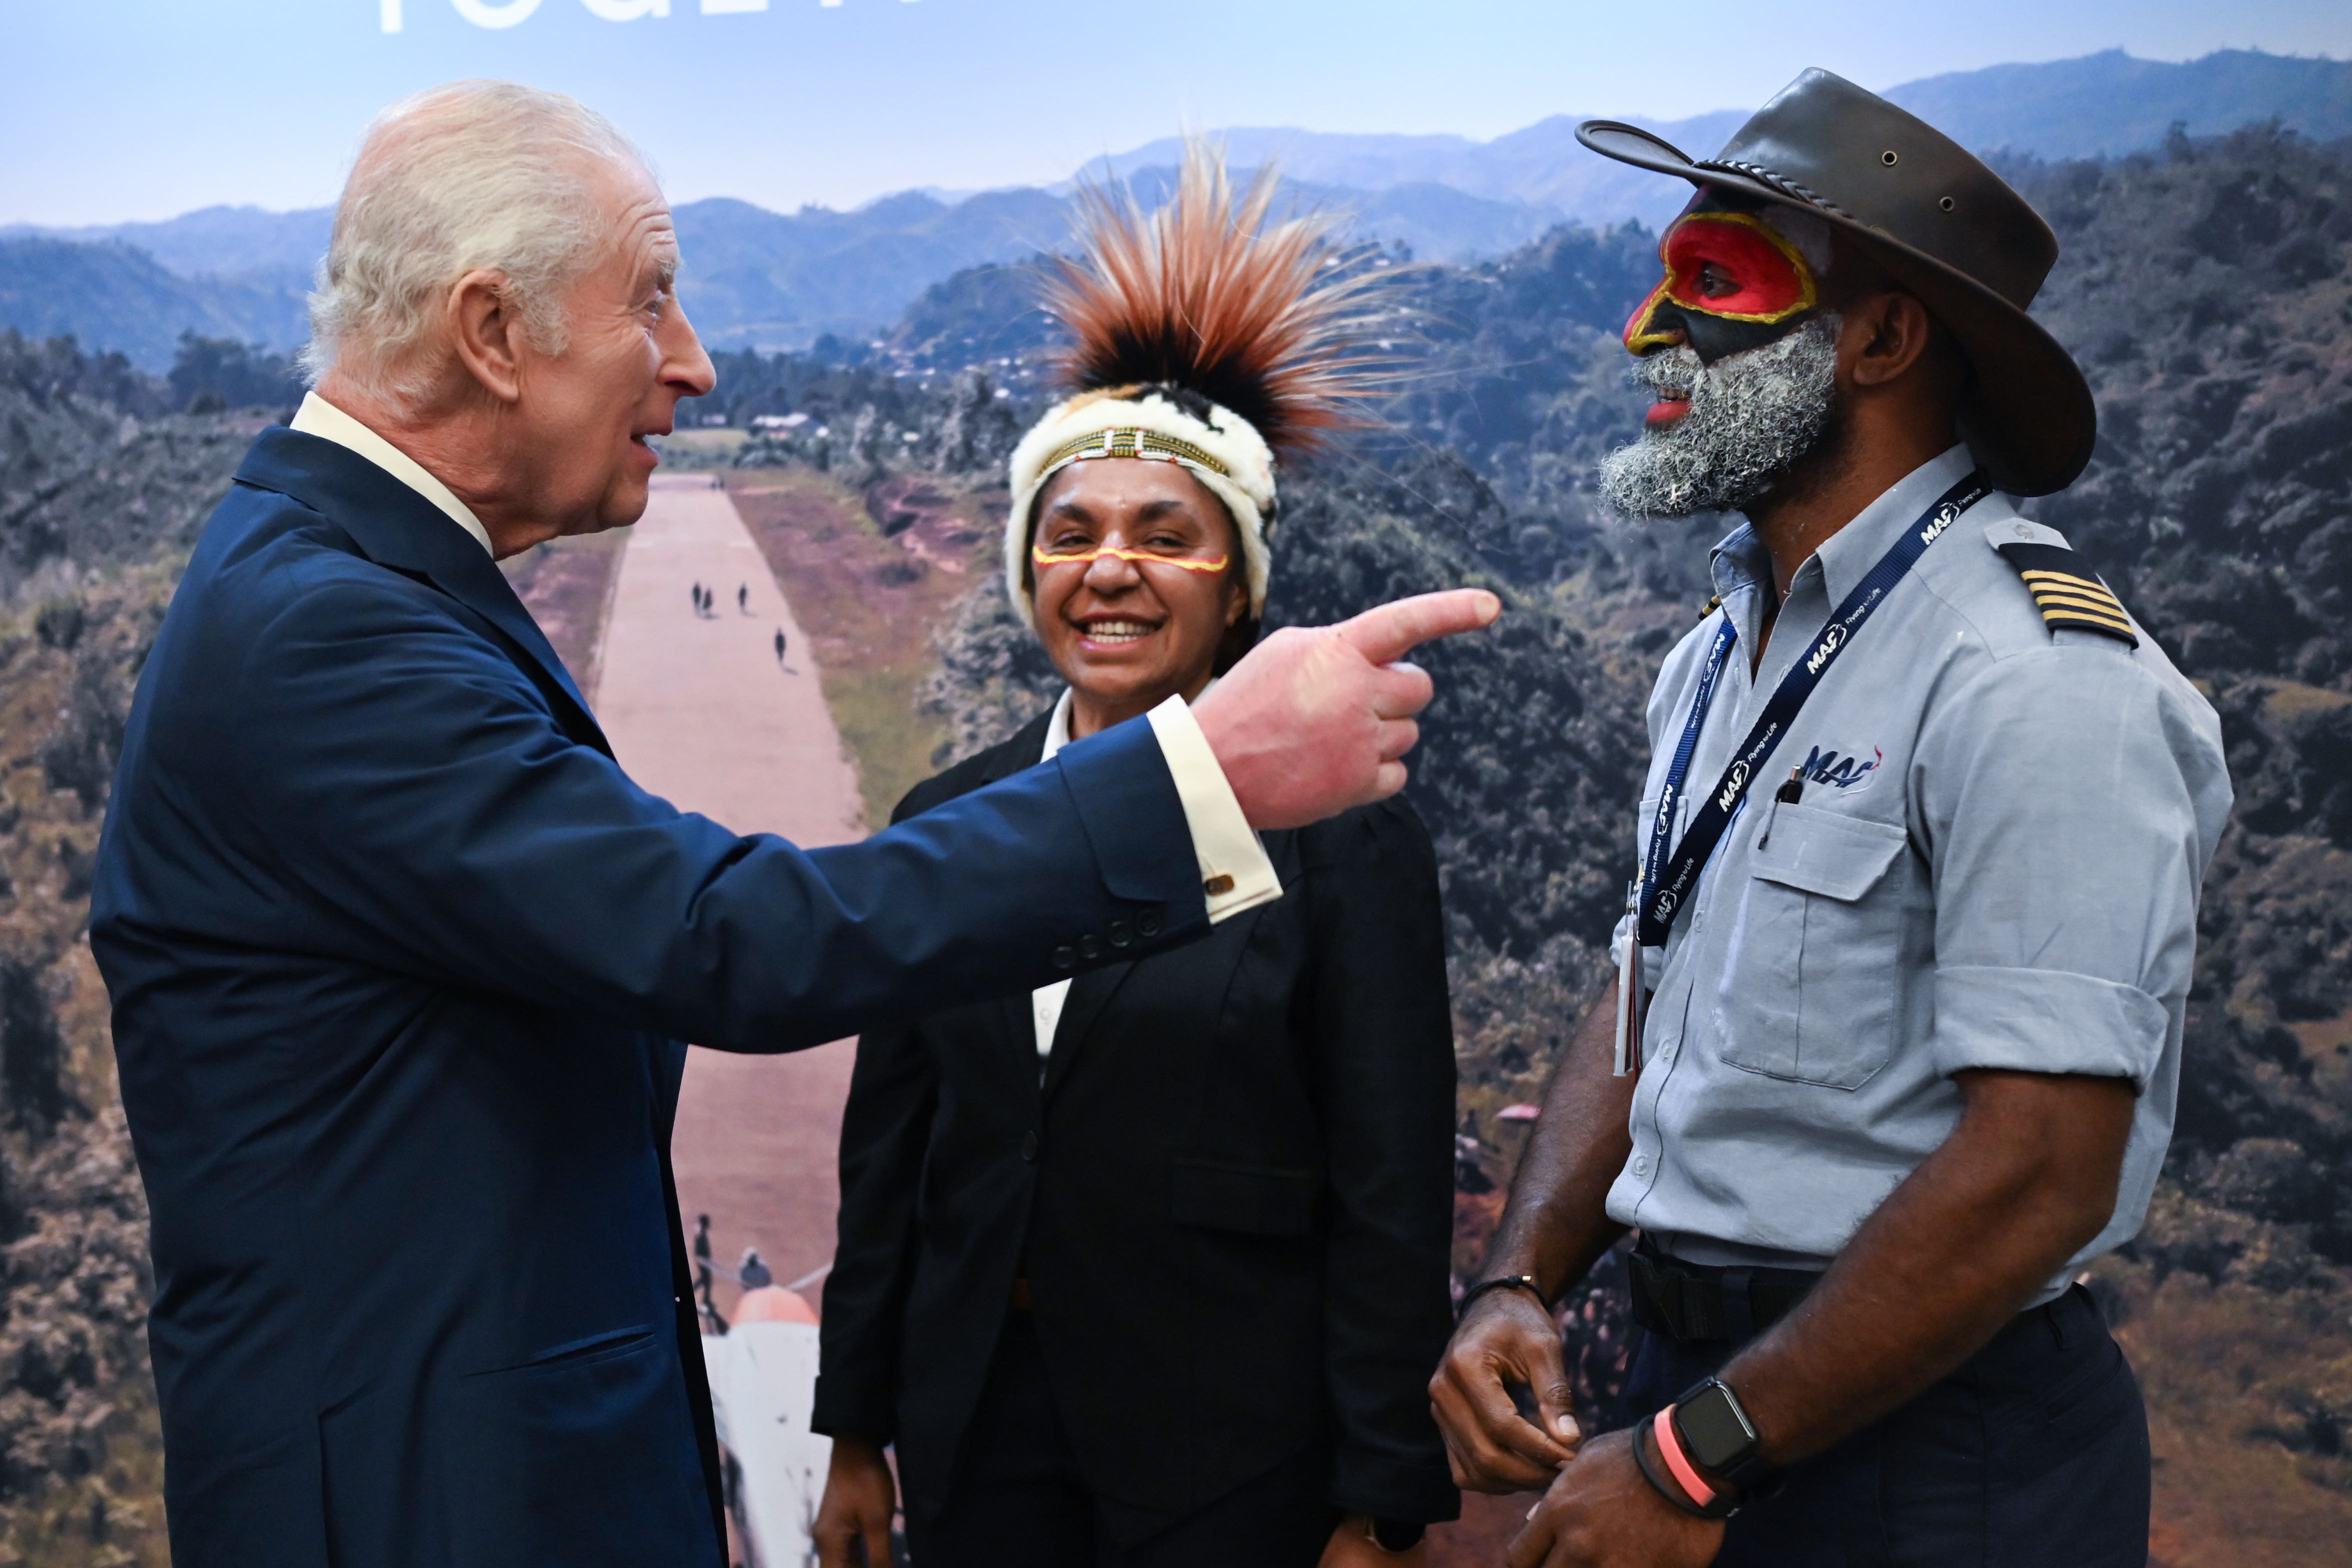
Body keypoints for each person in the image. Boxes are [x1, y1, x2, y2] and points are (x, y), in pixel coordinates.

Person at [90, 82, 1496, 1568]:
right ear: (493, 332)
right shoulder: (329, 630)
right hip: (427, 1494)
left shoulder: (353, 585)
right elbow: (728, 940)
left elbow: (1385, 1178)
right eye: (651, 300)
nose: (690, 362)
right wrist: (1201, 777)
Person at [1427, 70, 2231, 1568]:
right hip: (1718, 1396)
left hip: (1931, 1452)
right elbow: (1648, 975)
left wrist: (1687, 1463)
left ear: (1879, 335)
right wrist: (1517, 1281)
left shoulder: (2034, 678)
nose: (1644, 332)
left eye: (1711, 278)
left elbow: (2040, 1169)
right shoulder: (1721, 649)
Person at [811, 147, 1459, 1568]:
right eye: (1072, 533)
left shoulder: (1343, 838)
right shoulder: (949, 813)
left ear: (1237, 582)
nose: (1109, 569)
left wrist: (1376, 1501)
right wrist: (856, 1431)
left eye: (1166, 536)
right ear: (1025, 569)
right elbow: (895, 1154)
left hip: (1228, 1453)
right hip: (977, 1433)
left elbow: (1389, 1187)